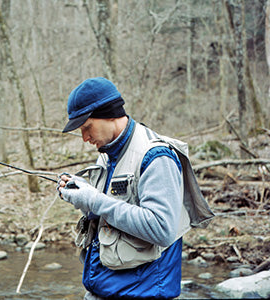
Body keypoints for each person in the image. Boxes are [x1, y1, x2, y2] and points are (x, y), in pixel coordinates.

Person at [57, 77, 214, 299]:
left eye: (87, 127)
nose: (84, 138)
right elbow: (107, 213)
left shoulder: (157, 157)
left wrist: (93, 199)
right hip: (102, 290)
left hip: (143, 293)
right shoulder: (108, 155)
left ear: (109, 113)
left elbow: (161, 228)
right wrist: (80, 194)